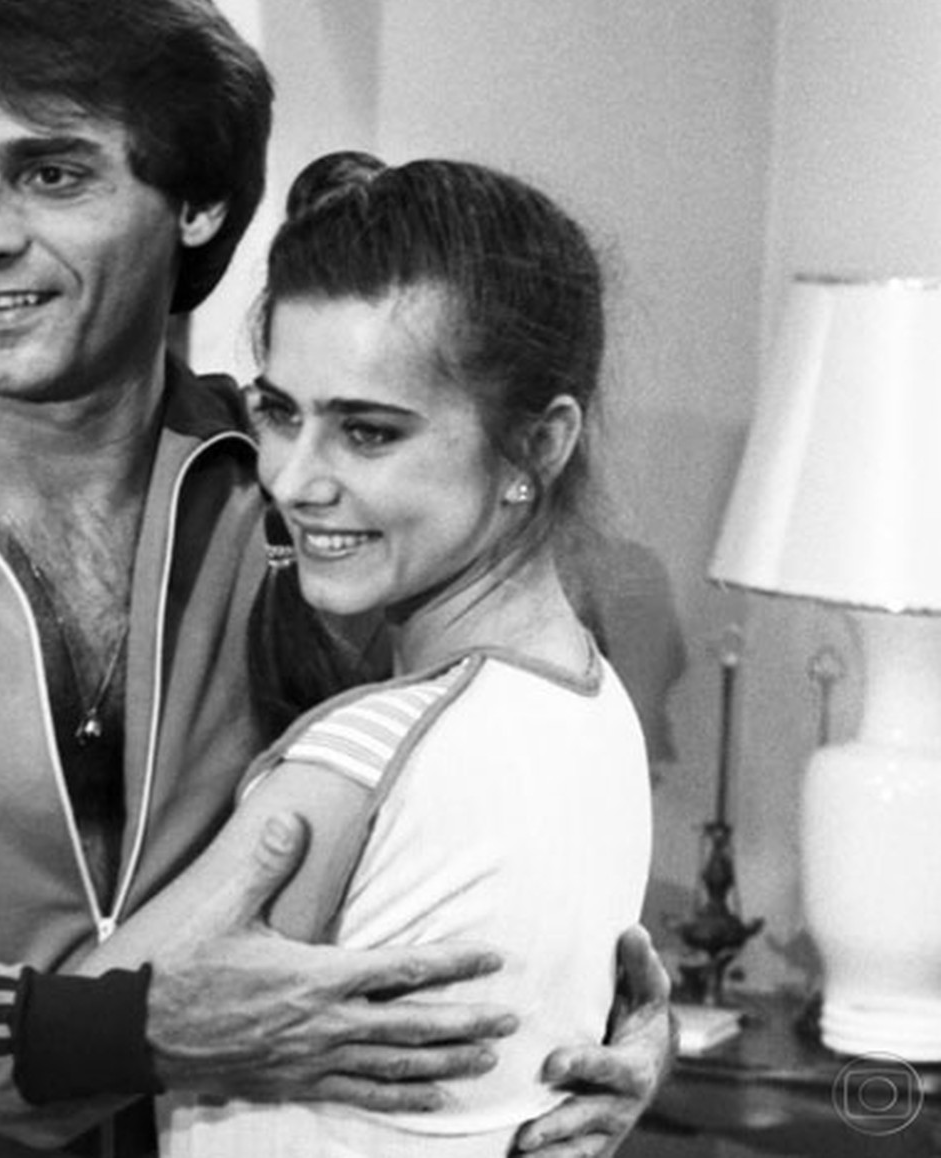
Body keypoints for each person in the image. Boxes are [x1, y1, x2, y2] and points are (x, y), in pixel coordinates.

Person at [0, 0, 671, 1156]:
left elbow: (474, 792)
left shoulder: (293, 501)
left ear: (198, 202)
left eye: (50, 173)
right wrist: (126, 1030)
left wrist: (590, 1030)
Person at [77, 153, 653, 1157]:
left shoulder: (367, 753)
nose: (293, 479)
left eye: (368, 433)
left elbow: (59, 1055)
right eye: (279, 413)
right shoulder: (600, 709)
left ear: (538, 444)